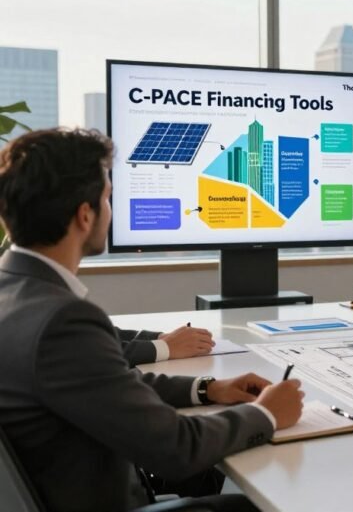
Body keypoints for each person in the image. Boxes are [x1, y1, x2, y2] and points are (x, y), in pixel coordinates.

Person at [0, 128, 305, 511]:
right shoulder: (63, 319)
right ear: (84, 214)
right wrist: (265, 413)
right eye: (108, 198)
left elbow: (110, 383)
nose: (111, 211)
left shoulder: (15, 292)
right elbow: (175, 448)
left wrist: (208, 389)